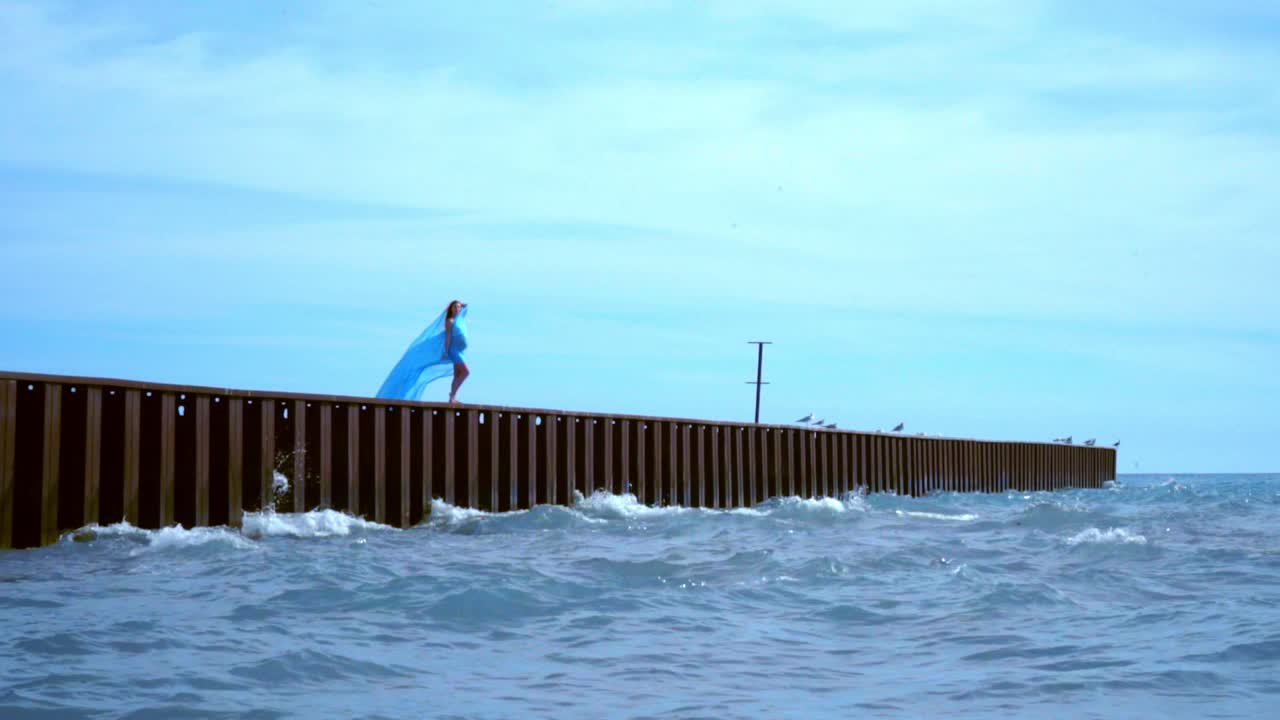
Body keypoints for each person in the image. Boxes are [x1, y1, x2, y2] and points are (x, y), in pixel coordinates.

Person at [375, 300, 471, 403]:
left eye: (458, 307)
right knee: (466, 371)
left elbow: (467, 306)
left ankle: (452, 398)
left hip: (460, 351)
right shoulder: (450, 321)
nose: (457, 309)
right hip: (454, 350)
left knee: (457, 374)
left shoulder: (459, 320)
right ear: (451, 310)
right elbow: (448, 337)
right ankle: (452, 396)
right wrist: (446, 351)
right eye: (454, 307)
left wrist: (461, 304)